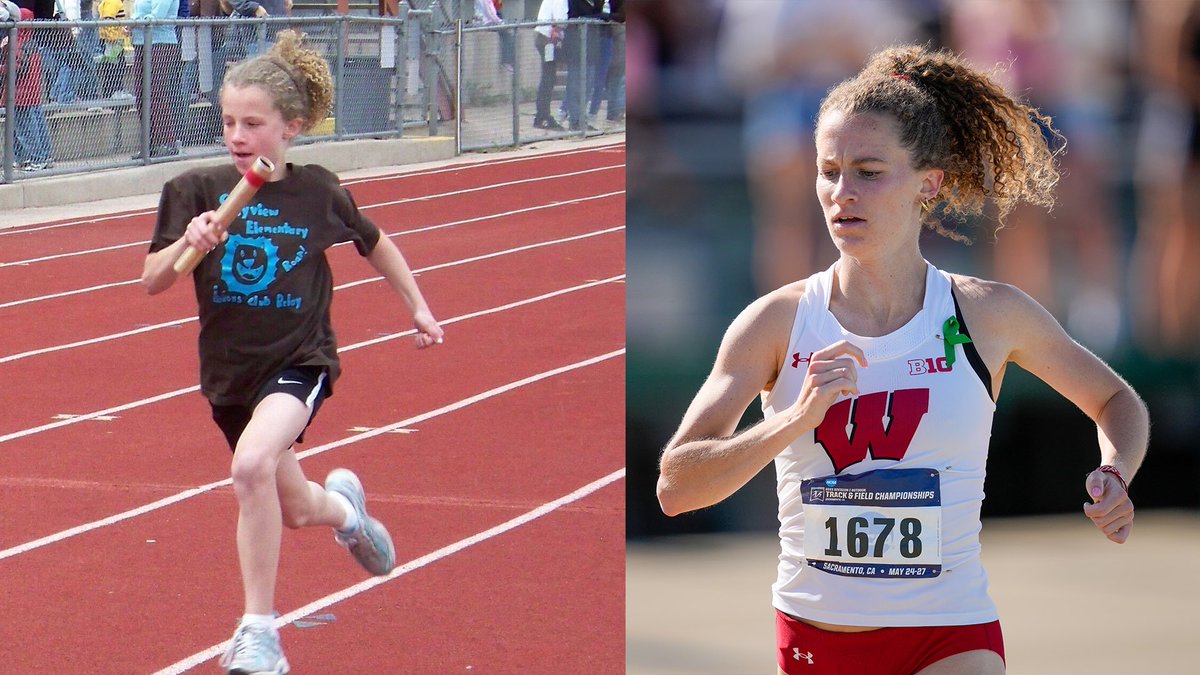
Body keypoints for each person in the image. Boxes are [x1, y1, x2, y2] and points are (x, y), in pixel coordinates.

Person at [656, 44, 1148, 675]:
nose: (842, 193)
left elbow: (1116, 401)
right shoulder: (775, 324)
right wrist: (792, 421)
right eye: (828, 171)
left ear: (929, 183)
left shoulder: (989, 315)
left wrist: (1115, 470)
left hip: (949, 632)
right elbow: (675, 487)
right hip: (818, 641)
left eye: (868, 171)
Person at [140, 30, 444, 674]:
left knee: (250, 468)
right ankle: (348, 514)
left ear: (292, 127)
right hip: (230, 375)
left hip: (298, 361)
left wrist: (415, 303)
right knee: (296, 506)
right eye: (228, 121)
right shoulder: (195, 189)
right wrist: (189, 240)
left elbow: (375, 242)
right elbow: (153, 280)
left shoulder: (317, 192)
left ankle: (259, 634)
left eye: (254, 122)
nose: (238, 134)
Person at [2, 8, 54, 171]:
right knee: (19, 128)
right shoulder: (30, 41)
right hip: (29, 93)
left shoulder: (18, 43)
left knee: (25, 129)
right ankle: (25, 158)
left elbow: (17, 68)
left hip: (19, 94)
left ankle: (37, 158)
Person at [131, 0, 181, 158]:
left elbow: (156, 16)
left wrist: (133, 22)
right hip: (141, 42)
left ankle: (167, 142)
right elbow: (138, 13)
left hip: (161, 43)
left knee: (156, 93)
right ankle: (149, 144)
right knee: (140, 96)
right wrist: (131, 22)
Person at [533, 0, 566, 131]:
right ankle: (543, 116)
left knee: (549, 78)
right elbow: (560, 20)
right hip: (547, 39)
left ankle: (542, 115)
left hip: (546, 38)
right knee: (548, 78)